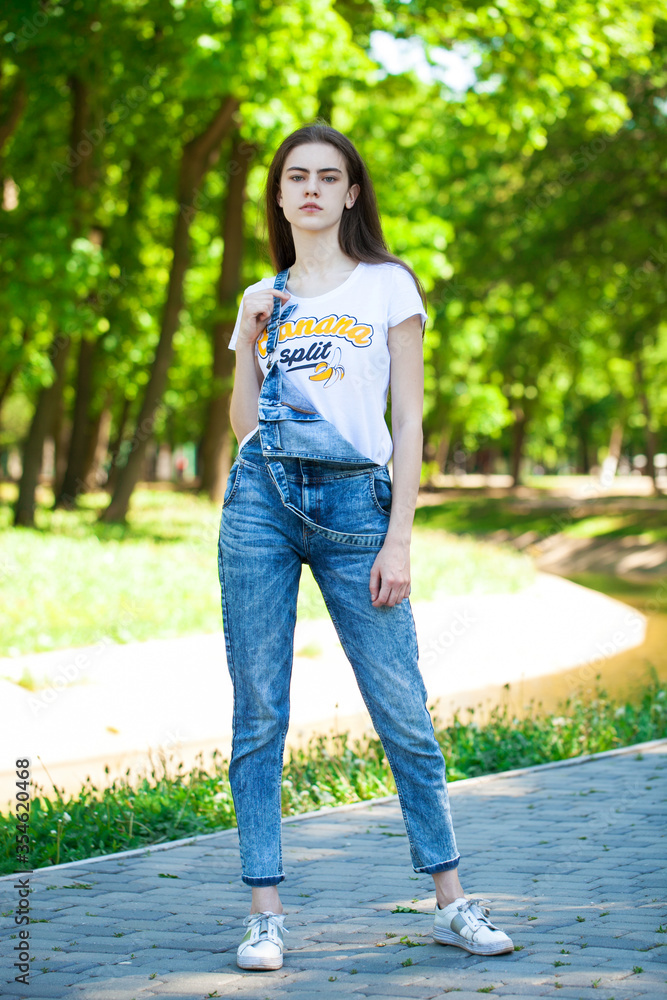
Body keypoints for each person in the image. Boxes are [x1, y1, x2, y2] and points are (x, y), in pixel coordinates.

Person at [219, 122, 513, 972]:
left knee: (403, 711)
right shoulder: (262, 295)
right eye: (294, 177)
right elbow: (245, 428)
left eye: (328, 177)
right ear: (278, 196)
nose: (310, 189)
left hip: (358, 506)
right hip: (259, 504)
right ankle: (265, 915)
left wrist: (400, 539)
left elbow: (409, 421)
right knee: (259, 713)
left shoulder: (388, 286)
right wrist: (244, 334)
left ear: (351, 194)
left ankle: (451, 900)